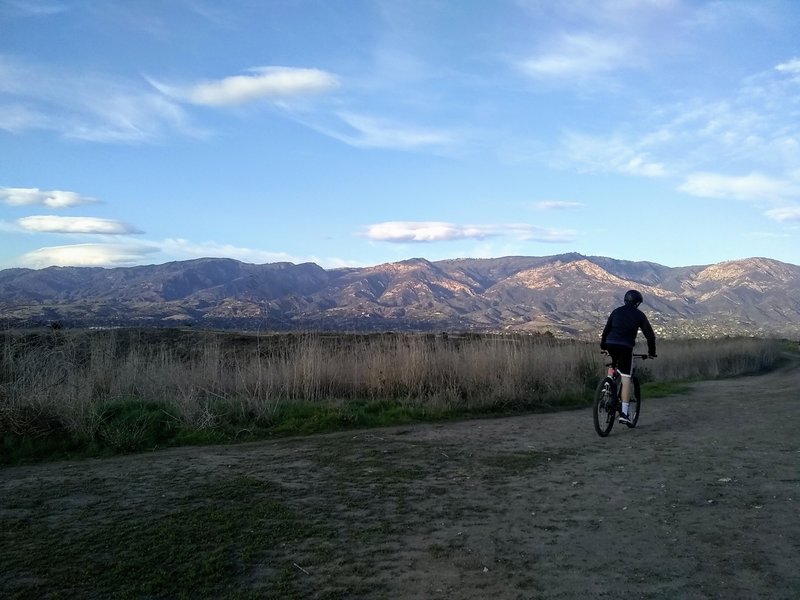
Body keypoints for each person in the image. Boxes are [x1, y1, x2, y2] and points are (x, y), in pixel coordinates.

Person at [600, 289, 657, 425]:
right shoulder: (639, 315)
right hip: (625, 347)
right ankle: (624, 413)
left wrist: (603, 345)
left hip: (610, 343)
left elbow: (606, 330)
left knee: (613, 363)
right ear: (637, 303)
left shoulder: (616, 311)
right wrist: (652, 352)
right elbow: (650, 335)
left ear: (625, 300)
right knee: (626, 378)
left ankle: (607, 387)